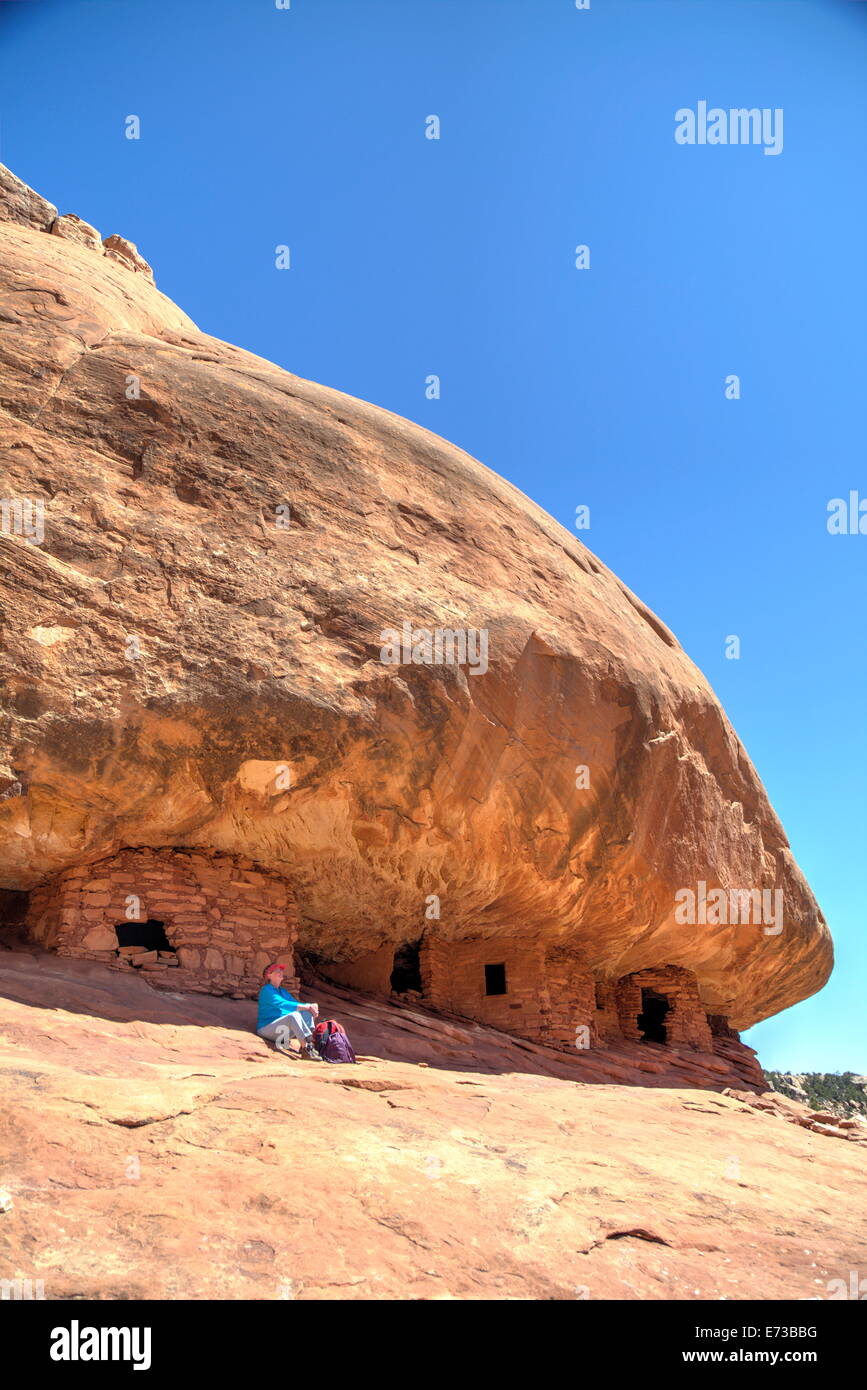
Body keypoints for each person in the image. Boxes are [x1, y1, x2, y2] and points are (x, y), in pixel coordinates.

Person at [256, 962, 323, 1061]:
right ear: (269, 975)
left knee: (306, 1012)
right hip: (267, 1029)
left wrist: (312, 1006)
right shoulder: (267, 990)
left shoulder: (282, 991)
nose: (281, 972)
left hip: (281, 1034)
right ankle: (306, 1051)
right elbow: (283, 1004)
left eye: (281, 970)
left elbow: (296, 1004)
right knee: (294, 1015)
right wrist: (308, 1006)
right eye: (277, 971)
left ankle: (308, 1045)